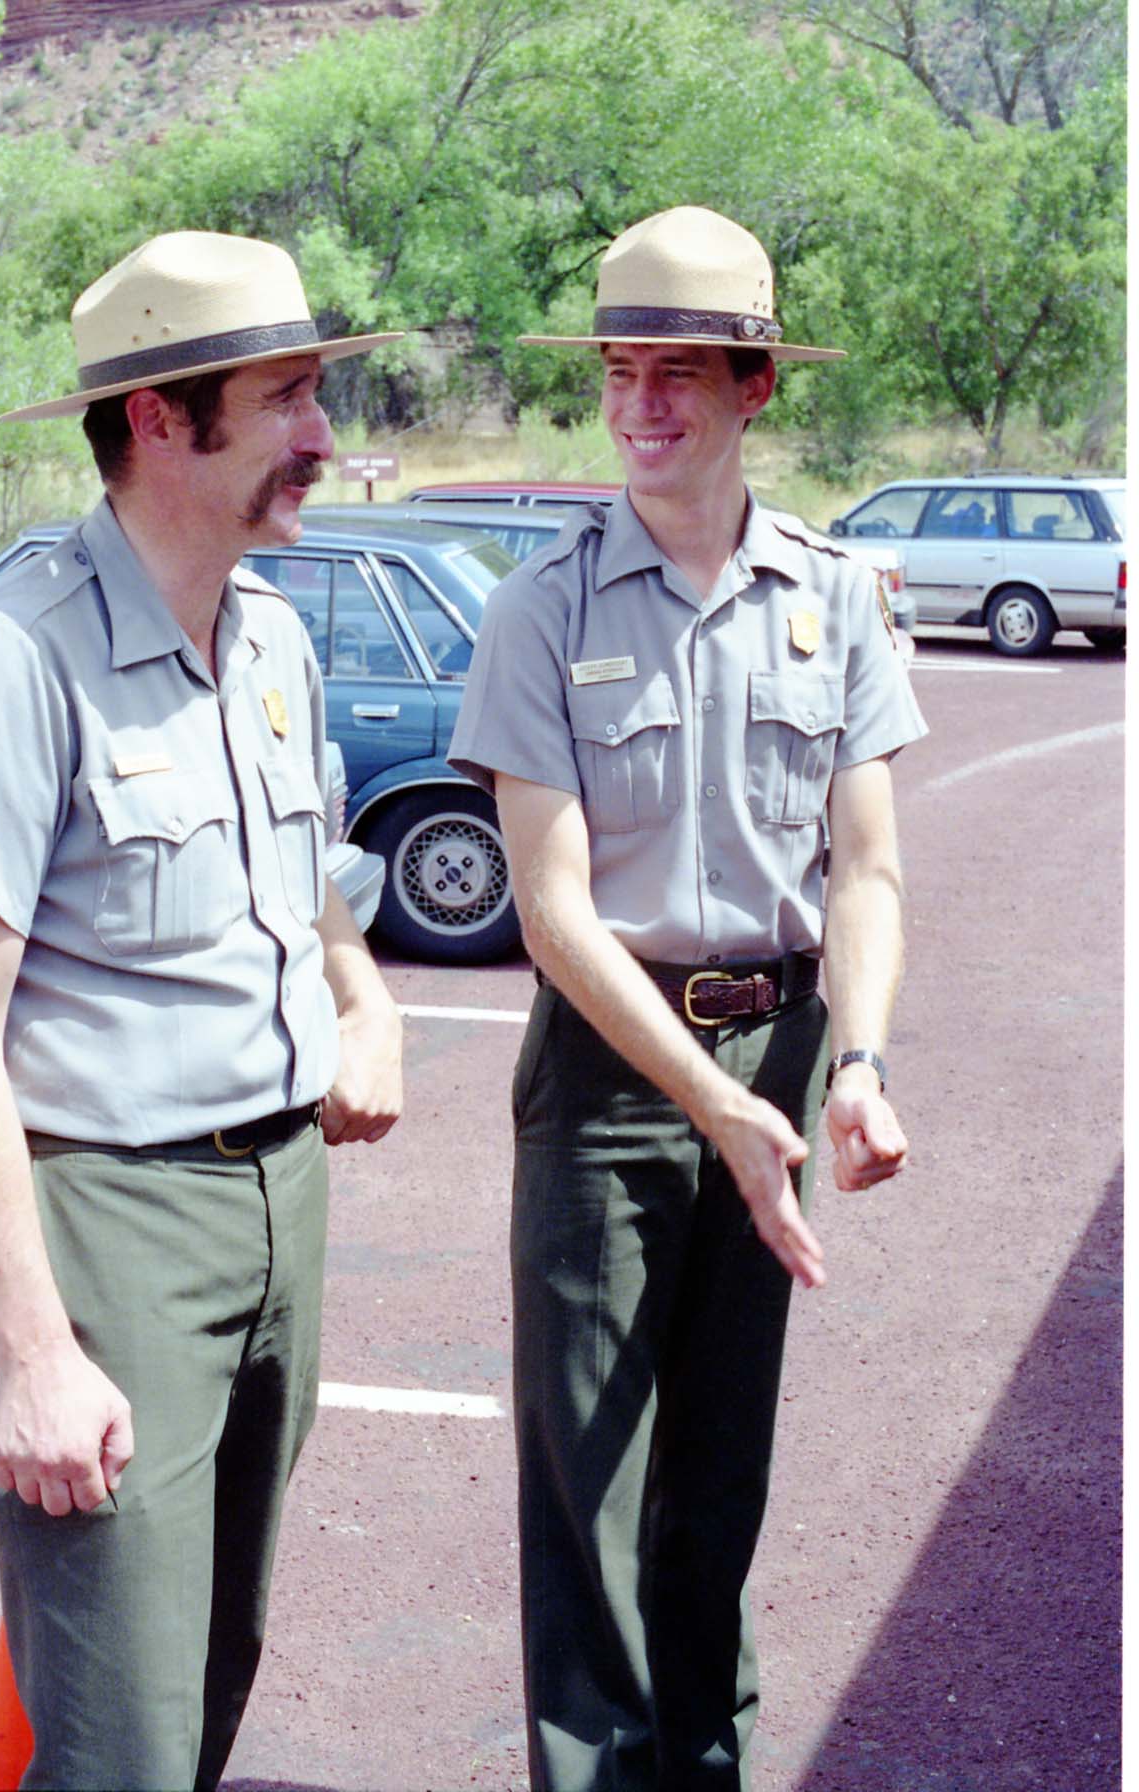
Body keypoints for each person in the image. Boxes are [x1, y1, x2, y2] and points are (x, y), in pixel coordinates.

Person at [447, 205, 927, 1790]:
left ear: (756, 389)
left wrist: (851, 1063)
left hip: (780, 1052)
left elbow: (863, 869)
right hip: (607, 1083)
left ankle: (706, 1767)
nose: (643, 405)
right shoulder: (543, 610)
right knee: (590, 1485)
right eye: (620, 371)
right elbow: (553, 911)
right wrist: (708, 1103)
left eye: (681, 375)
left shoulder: (836, 597)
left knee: (719, 1477)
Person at [0, 231, 405, 1791]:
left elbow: (304, 870)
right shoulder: (16, 654)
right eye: (285, 401)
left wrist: (363, 991)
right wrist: (32, 1352)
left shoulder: (269, 634)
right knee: (114, 1738)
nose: (324, 439)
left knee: (208, 1683)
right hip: (110, 1230)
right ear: (158, 421)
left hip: (284, 1197)